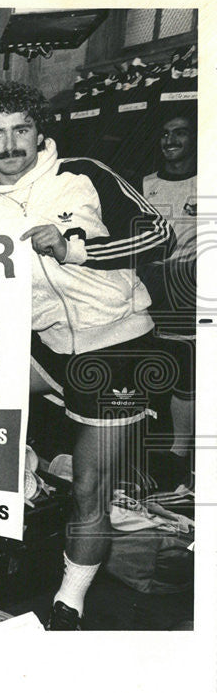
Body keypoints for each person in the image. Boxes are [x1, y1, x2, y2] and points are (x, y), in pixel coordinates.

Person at [0, 81, 175, 630]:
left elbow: (160, 234)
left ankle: (69, 603)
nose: (9, 144)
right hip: (49, 349)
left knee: (89, 488)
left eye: (20, 130)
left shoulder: (82, 175)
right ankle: (29, 474)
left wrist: (74, 247)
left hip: (118, 345)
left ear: (39, 133)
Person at [140, 111, 197, 490]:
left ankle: (180, 453)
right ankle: (145, 445)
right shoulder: (146, 185)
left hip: (188, 287)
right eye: (164, 134)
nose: (170, 141)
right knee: (149, 364)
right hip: (149, 284)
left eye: (179, 133)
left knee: (186, 368)